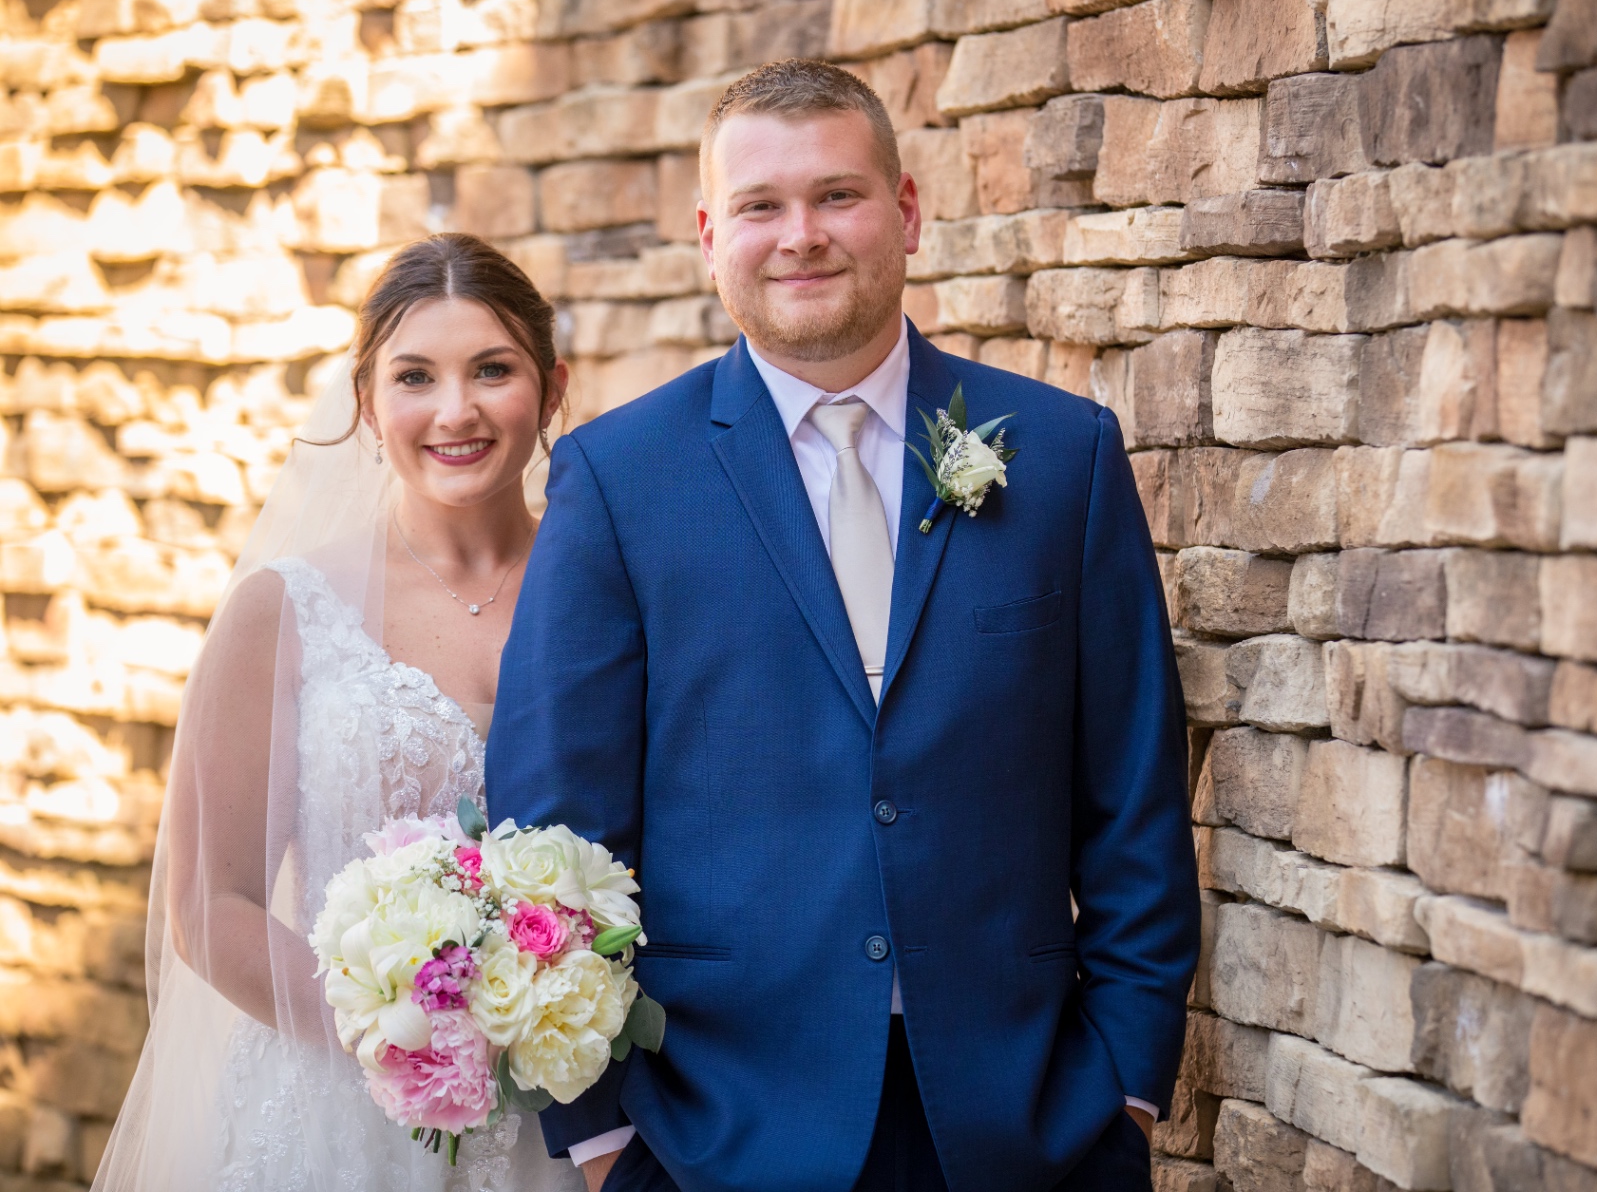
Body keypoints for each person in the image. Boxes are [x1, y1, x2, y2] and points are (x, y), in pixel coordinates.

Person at [487, 60, 1200, 1192]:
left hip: (1030, 1123)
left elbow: (1134, 795)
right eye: (762, 207)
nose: (801, 236)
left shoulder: (1063, 458)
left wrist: (1126, 1085)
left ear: (907, 212)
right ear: (711, 235)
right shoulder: (618, 481)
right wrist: (602, 1136)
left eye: (838, 196)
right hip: (716, 1130)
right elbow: (554, 832)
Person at [93, 234, 585, 1192]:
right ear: (367, 403)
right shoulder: (286, 611)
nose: (457, 410)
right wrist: (407, 1040)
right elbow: (207, 903)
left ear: (552, 389)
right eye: (415, 376)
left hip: (564, 1114)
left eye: (493, 369)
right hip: (337, 1110)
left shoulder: (610, 591)